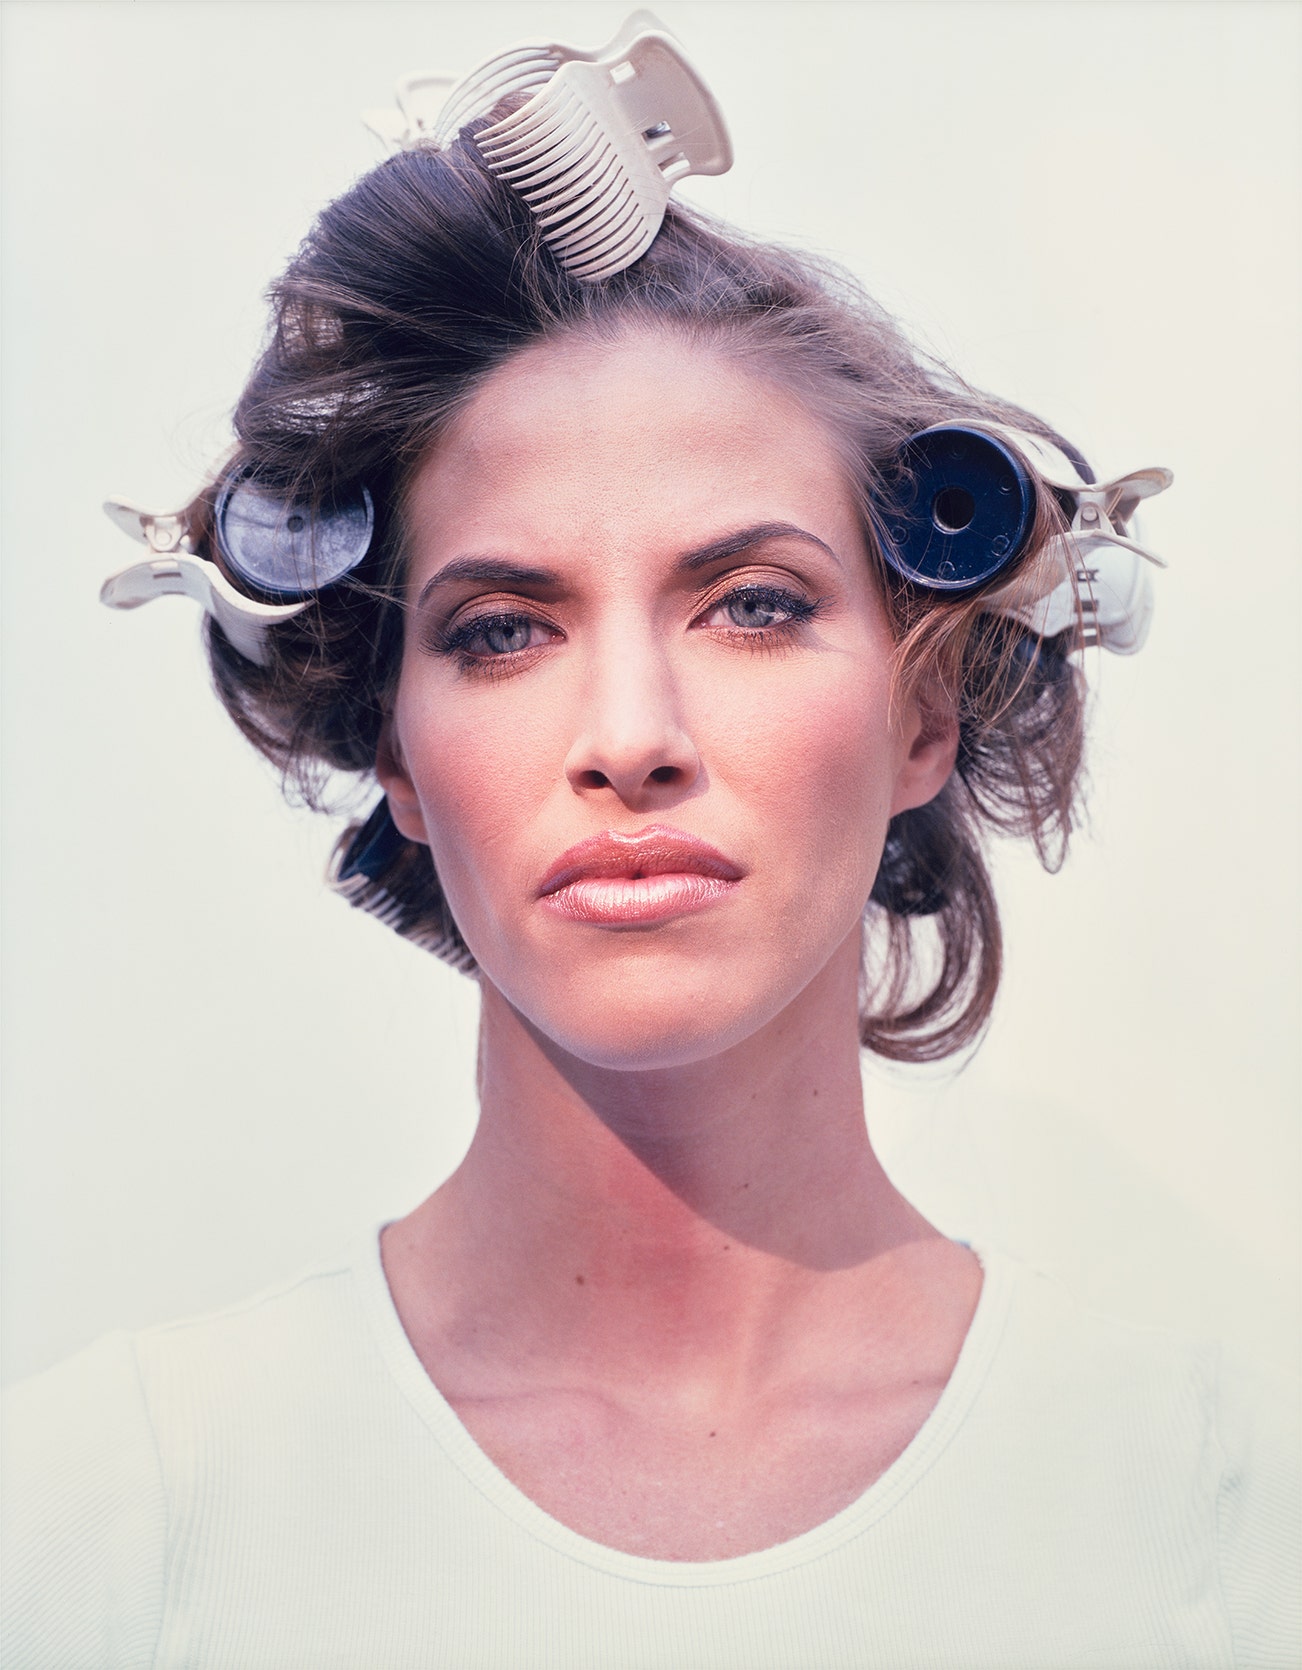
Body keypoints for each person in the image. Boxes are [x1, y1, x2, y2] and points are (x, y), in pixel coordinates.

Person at [3, 14, 1297, 1670]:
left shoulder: (1215, 1521)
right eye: (500, 630)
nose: (628, 734)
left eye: (751, 605)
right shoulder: (111, 1521)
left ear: (924, 710)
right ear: (395, 748)